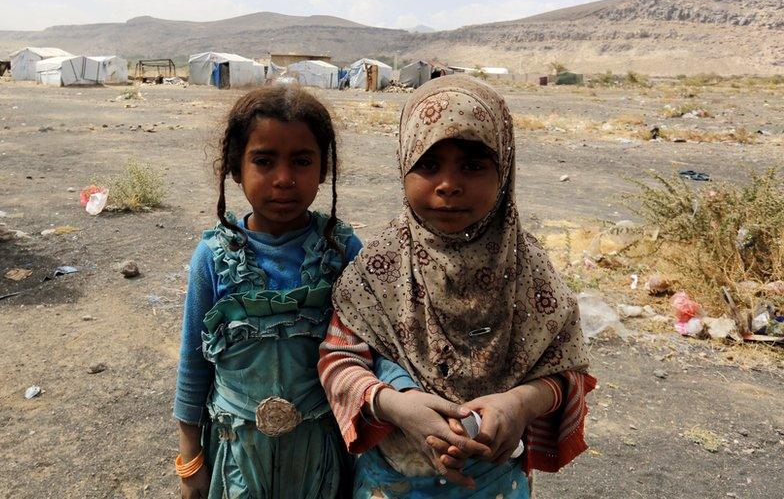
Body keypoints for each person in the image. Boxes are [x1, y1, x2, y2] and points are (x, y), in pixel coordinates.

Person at [319, 75, 597, 498]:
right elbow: (338, 359)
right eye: (428, 165)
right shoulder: (378, 269)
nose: (448, 184)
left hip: (497, 484)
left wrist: (520, 403)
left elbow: (566, 373)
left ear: (504, 170)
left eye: (472, 165)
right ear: (403, 164)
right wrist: (395, 405)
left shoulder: (530, 269)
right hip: (391, 484)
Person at [173, 84, 364, 498]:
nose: (283, 179)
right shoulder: (212, 257)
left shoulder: (343, 253)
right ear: (235, 168)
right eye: (264, 160)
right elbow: (193, 363)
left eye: (301, 161)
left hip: (321, 453)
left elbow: (369, 357)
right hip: (235, 453)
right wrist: (190, 461)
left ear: (323, 168)